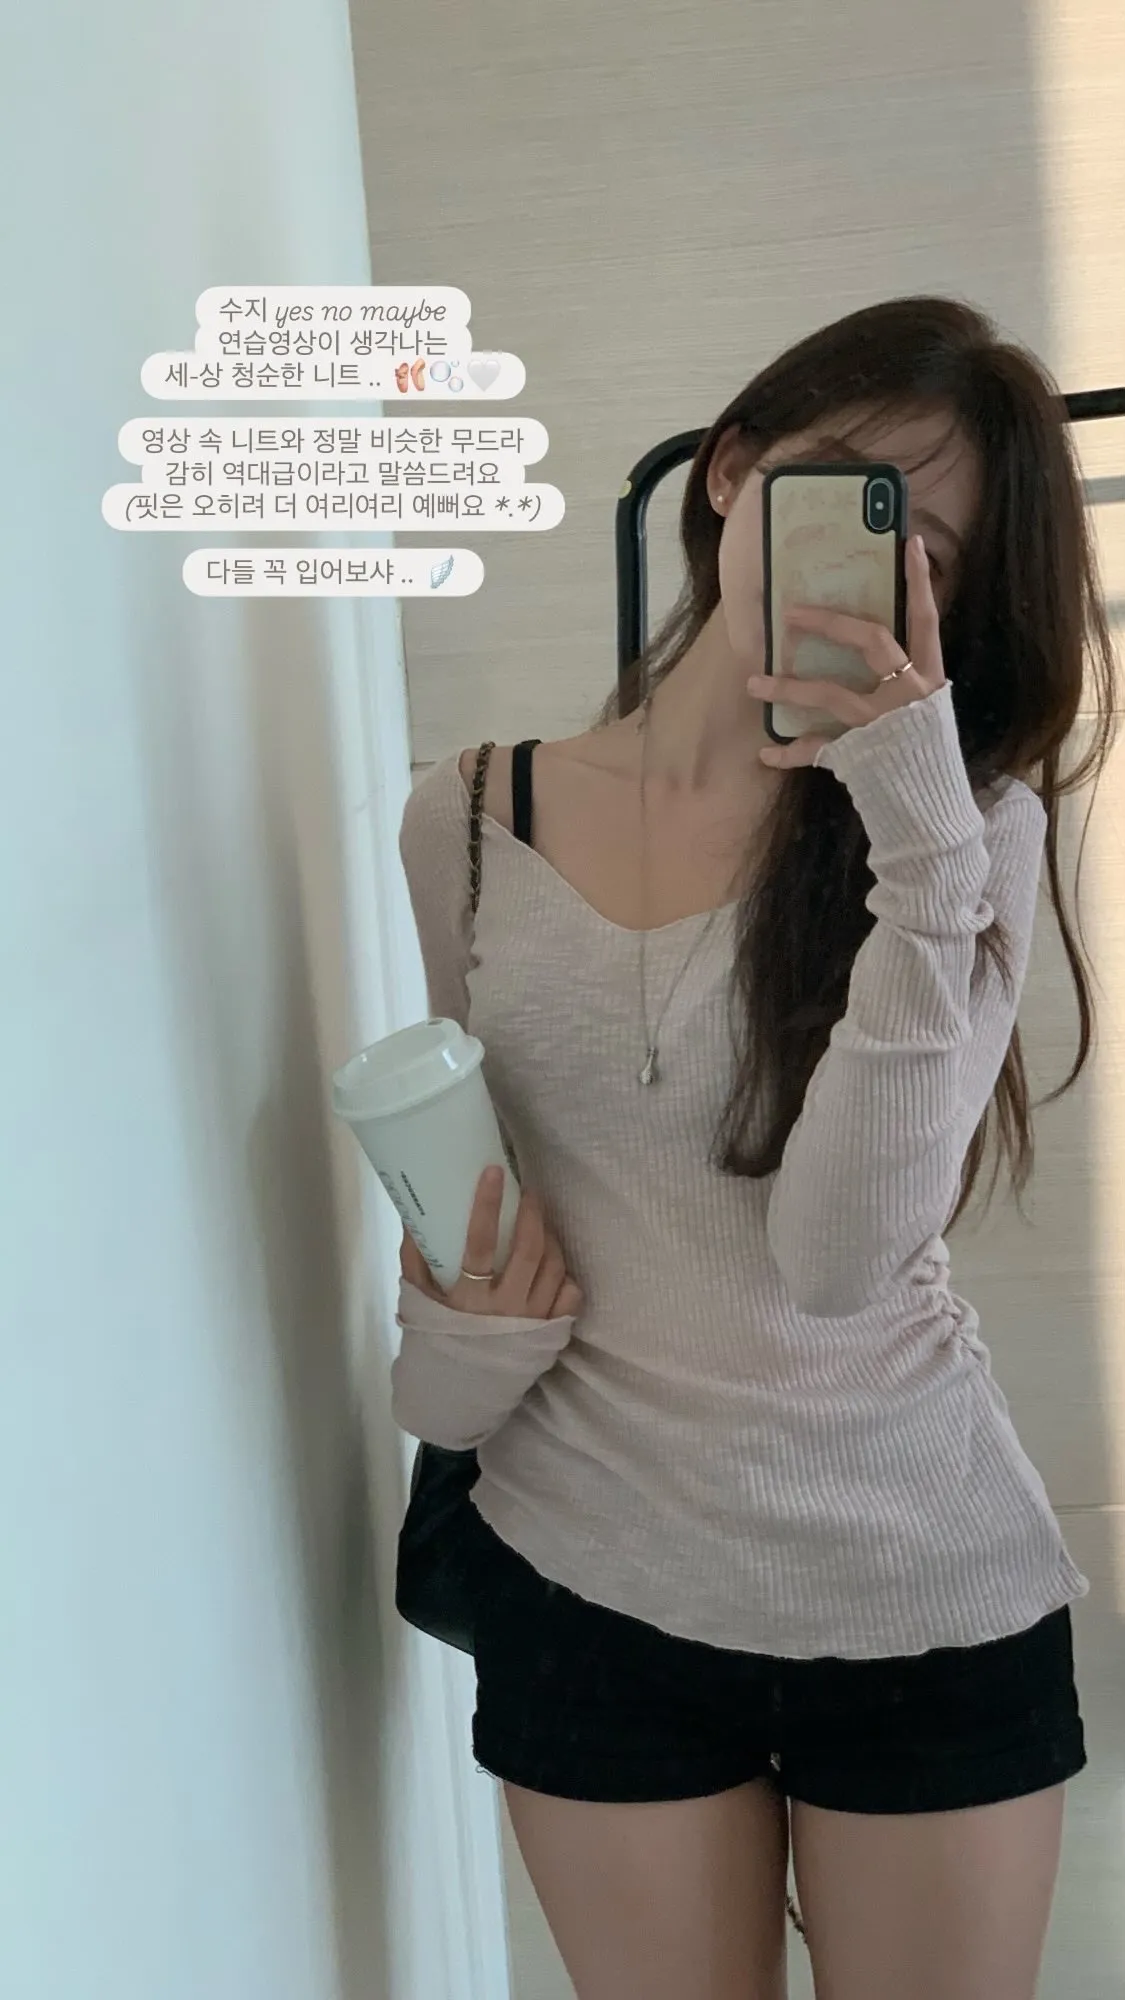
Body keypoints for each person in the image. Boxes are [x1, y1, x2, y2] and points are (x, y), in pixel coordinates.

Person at [390, 296, 1117, 2000]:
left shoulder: (966, 831)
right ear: (730, 472)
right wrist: (458, 1331)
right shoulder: (470, 818)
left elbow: (838, 1261)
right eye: (843, 490)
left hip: (916, 1586)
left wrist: (916, 821)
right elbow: (474, 1203)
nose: (864, 563)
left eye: (926, 551)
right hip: (591, 1580)